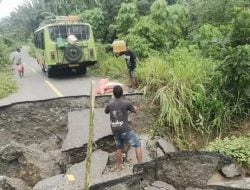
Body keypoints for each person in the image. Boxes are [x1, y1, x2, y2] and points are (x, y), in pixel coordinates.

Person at [104, 85, 142, 171]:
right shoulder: (126, 103)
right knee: (137, 144)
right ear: (122, 93)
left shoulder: (110, 104)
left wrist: (112, 103)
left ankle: (119, 166)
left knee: (119, 147)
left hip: (115, 130)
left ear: (113, 94)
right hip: (125, 130)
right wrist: (135, 108)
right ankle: (140, 166)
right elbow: (135, 111)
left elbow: (106, 111)